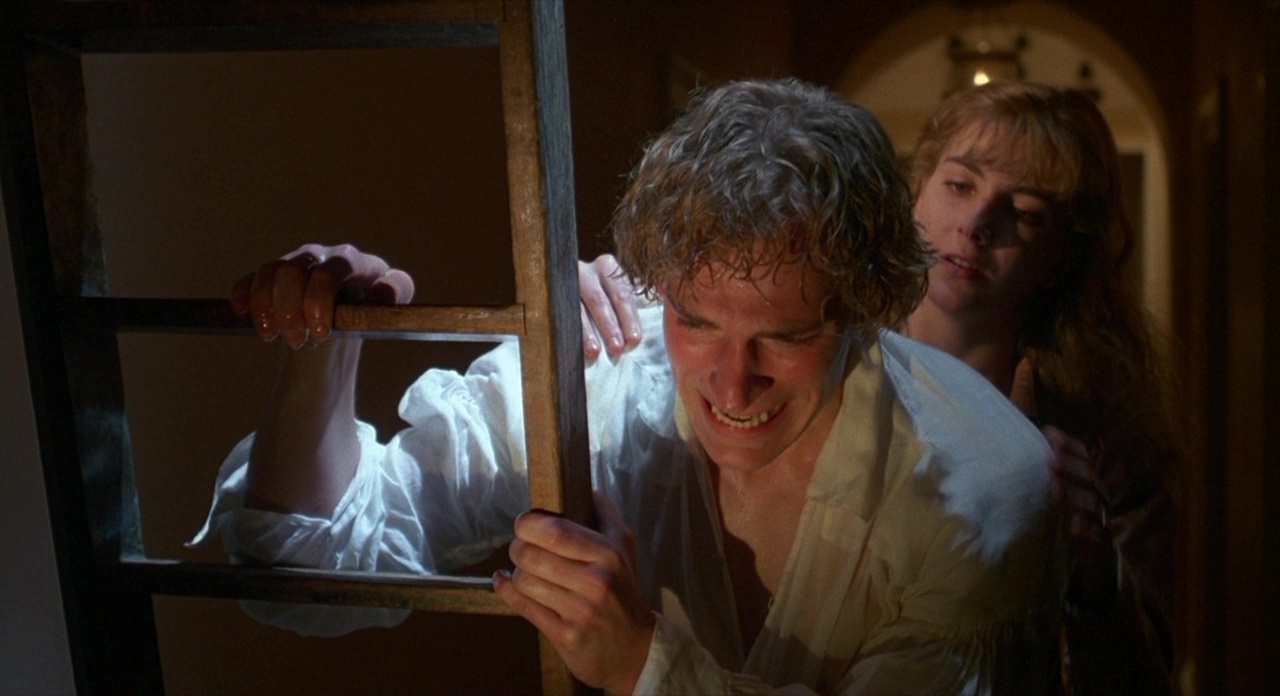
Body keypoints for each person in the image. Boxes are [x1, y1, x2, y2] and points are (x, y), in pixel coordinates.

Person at [193, 77, 1065, 694]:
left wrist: (643, 663)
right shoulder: (615, 369)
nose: (733, 384)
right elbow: (308, 573)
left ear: (865, 312)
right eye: (696, 321)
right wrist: (322, 344)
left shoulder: (982, 481)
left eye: (787, 337)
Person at [579, 80, 1177, 695]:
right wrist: (581, 303)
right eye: (960, 185)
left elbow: (1147, 674)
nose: (976, 225)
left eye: (1024, 213)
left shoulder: (1073, 446)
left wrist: (1098, 587)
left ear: (1064, 254)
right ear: (918, 192)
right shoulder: (801, 312)